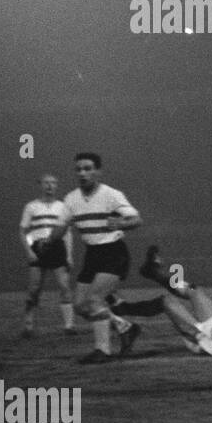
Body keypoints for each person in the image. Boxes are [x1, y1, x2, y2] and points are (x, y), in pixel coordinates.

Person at [40, 153, 143, 363]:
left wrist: (121, 224)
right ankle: (125, 327)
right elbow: (61, 227)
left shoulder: (111, 195)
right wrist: (47, 241)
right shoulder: (71, 199)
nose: (82, 173)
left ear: (98, 171)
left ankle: (102, 351)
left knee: (95, 300)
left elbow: (136, 219)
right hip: (93, 255)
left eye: (88, 168)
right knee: (80, 306)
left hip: (114, 252)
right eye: (78, 169)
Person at [112, 246, 212, 356]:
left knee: (166, 301)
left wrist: (195, 334)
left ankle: (122, 308)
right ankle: (154, 272)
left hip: (203, 339)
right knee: (194, 291)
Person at [18, 173, 75, 337]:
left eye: (53, 183)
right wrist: (29, 251)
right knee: (34, 289)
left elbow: (67, 233)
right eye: (46, 183)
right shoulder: (31, 206)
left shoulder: (63, 207)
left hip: (57, 247)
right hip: (39, 248)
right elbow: (22, 231)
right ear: (40, 185)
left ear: (57, 186)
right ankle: (28, 325)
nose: (50, 186)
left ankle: (69, 326)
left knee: (64, 286)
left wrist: (69, 255)